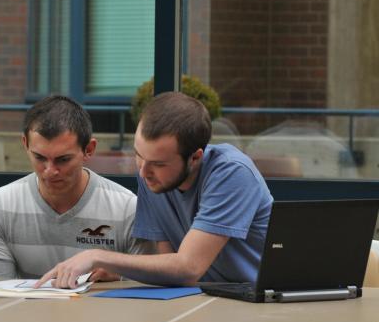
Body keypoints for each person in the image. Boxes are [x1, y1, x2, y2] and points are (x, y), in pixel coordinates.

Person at [37, 91, 273, 288]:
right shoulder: (152, 176)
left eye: (159, 164)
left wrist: (96, 256)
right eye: (139, 156)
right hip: (200, 298)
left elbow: (188, 268)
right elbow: (167, 265)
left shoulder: (232, 172)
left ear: (195, 158)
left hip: (258, 301)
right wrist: (120, 273)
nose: (143, 172)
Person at [0, 95, 154, 280]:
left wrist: (120, 279)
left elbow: (147, 296)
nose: (50, 171)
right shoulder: (0, 206)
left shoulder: (127, 209)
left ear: (89, 149)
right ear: (25, 144)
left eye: (63, 160)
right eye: (40, 157)